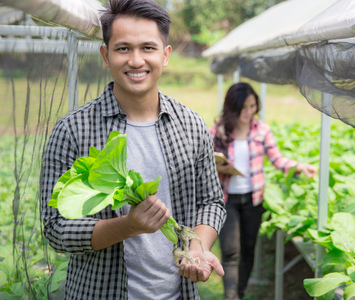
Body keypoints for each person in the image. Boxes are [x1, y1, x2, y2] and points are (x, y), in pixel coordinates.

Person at [40, 0, 226, 299]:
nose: (136, 60)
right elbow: (56, 229)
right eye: (123, 48)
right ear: (106, 54)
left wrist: (197, 248)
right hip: (99, 292)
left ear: (165, 55)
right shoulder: (72, 130)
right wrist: (128, 225)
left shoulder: (191, 125)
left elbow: (211, 201)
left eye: (148, 48)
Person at [210, 82, 318, 300]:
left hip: (253, 199)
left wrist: (300, 166)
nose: (248, 112)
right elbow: (206, 163)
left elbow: (277, 160)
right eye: (243, 108)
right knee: (231, 251)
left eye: (252, 106)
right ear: (232, 107)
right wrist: (218, 166)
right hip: (226, 199)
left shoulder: (262, 131)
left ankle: (238, 293)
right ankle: (231, 297)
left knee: (249, 249)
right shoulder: (218, 132)